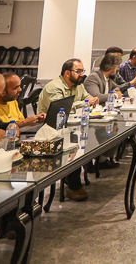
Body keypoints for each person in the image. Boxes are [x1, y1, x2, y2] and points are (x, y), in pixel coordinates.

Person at [35, 60, 94, 201]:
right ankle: (73, 185)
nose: (82, 74)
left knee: (90, 137)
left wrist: (90, 100)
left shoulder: (78, 84)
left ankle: (91, 166)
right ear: (67, 73)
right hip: (50, 128)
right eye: (78, 71)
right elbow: (60, 108)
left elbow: (87, 97)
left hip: (72, 123)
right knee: (73, 145)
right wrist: (85, 103)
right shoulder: (54, 87)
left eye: (83, 71)